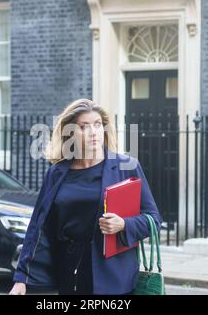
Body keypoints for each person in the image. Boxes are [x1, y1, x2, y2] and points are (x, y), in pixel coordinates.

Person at [9, 99, 162, 295]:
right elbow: (39, 227)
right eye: (84, 126)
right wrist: (21, 278)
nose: (93, 132)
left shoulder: (126, 166)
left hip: (114, 275)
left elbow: (154, 219)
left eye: (97, 125)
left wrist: (124, 224)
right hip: (69, 273)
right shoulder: (57, 173)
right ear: (70, 132)